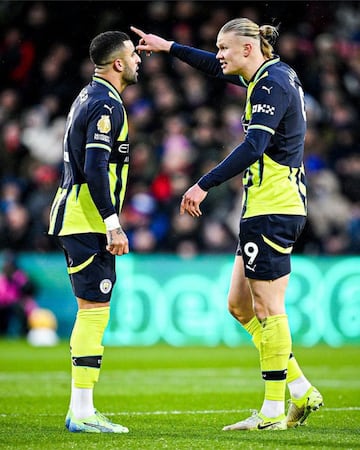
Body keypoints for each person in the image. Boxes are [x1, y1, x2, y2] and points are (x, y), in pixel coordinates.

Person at [131, 19, 323, 431]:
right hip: (263, 205)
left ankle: (272, 411)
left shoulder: (270, 85)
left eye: (223, 47)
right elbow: (214, 68)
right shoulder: (271, 73)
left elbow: (254, 146)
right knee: (239, 306)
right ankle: (301, 388)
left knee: (269, 308)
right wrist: (169, 48)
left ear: (248, 50)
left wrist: (203, 183)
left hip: (274, 205)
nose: (218, 54)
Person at [48, 30, 141, 433]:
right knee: (93, 310)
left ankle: (80, 408)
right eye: (134, 56)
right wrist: (112, 222)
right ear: (117, 63)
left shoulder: (89, 95)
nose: (139, 61)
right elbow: (95, 166)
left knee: (92, 310)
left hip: (76, 215)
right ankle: (82, 411)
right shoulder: (105, 103)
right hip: (86, 220)